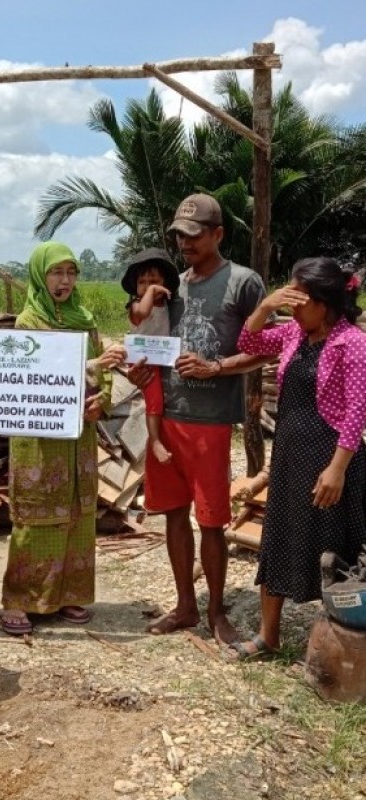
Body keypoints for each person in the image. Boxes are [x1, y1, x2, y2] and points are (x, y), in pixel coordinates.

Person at [131, 194, 269, 645]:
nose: (184, 243)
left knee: (211, 520)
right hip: (167, 416)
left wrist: (217, 367)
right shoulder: (173, 285)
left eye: (193, 236)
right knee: (173, 514)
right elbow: (151, 340)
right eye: (179, 236)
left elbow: (265, 347)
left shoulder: (243, 283)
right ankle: (185, 605)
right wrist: (138, 365)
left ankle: (215, 611)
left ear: (217, 235)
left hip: (210, 422)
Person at [230, 258, 366, 659]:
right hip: (290, 455)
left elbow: (357, 413)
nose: (293, 306)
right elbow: (249, 343)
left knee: (334, 547)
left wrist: (337, 468)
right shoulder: (293, 333)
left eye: (299, 299)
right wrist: (265, 307)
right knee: (277, 538)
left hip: (330, 460)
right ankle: (268, 636)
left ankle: (340, 645)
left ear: (325, 302)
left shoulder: (352, 343)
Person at [0, 242, 120, 636]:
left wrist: (100, 396)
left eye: (71, 273)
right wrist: (88, 370)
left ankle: (69, 593)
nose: (65, 280)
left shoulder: (84, 319)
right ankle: (21, 599)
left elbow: (102, 374)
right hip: (39, 436)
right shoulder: (28, 324)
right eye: (56, 272)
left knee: (78, 513)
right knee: (37, 514)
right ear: (40, 275)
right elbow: (33, 377)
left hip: (78, 435)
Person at [121, 248, 180, 464]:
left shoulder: (168, 305)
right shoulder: (136, 305)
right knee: (154, 398)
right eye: (142, 282)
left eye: (153, 280)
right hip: (142, 358)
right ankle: (154, 440)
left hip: (162, 355)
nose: (147, 286)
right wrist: (152, 290)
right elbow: (143, 314)